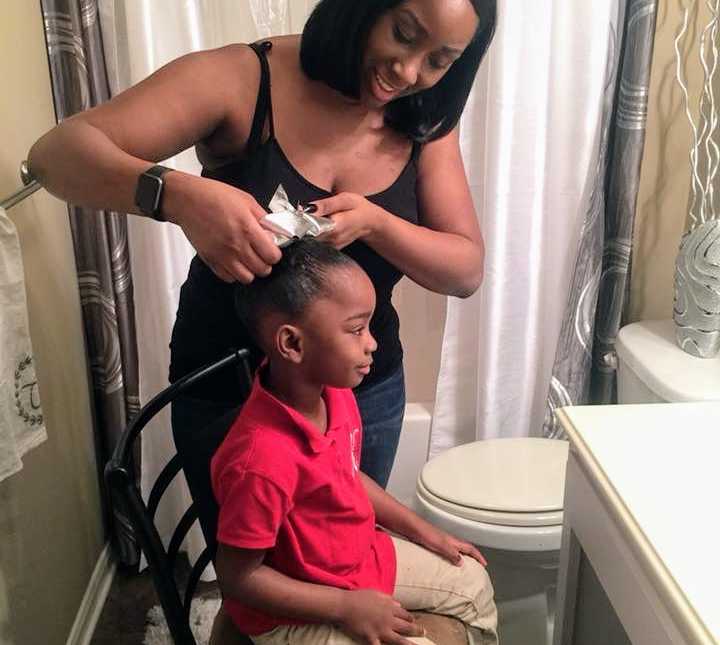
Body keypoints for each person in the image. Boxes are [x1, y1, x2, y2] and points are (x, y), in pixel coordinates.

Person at [27, 0, 496, 487]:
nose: (408, 71)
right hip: (229, 393)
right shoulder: (243, 79)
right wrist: (178, 195)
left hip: (362, 394)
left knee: (347, 553)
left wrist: (376, 224)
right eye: (403, 32)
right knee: (248, 559)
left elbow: (464, 272)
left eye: (439, 61)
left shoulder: (424, 119)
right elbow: (56, 155)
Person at [210, 237, 497, 645]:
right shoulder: (260, 461)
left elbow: (346, 474)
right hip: (290, 611)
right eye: (356, 329)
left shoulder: (335, 393)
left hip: (357, 556)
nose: (372, 343)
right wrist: (346, 607)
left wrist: (424, 531)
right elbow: (239, 577)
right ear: (292, 343)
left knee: (474, 582)